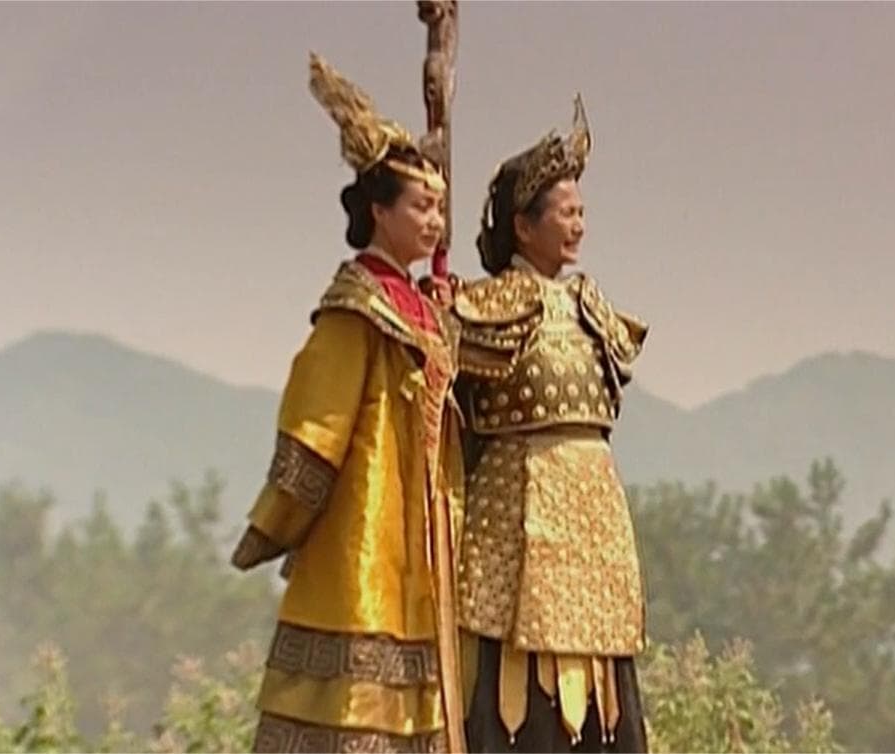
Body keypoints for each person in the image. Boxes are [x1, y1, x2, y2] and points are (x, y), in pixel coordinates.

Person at [229, 52, 466, 754]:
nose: (435, 221)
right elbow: (317, 429)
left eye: (440, 207)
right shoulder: (354, 312)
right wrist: (277, 522)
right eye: (421, 206)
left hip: (420, 547)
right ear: (378, 211)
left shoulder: (421, 308)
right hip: (363, 536)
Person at [449, 96, 649, 753]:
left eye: (581, 213)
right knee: (516, 693)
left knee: (602, 695)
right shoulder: (482, 308)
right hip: (515, 529)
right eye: (567, 213)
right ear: (523, 225)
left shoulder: (593, 308)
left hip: (593, 534)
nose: (579, 226)